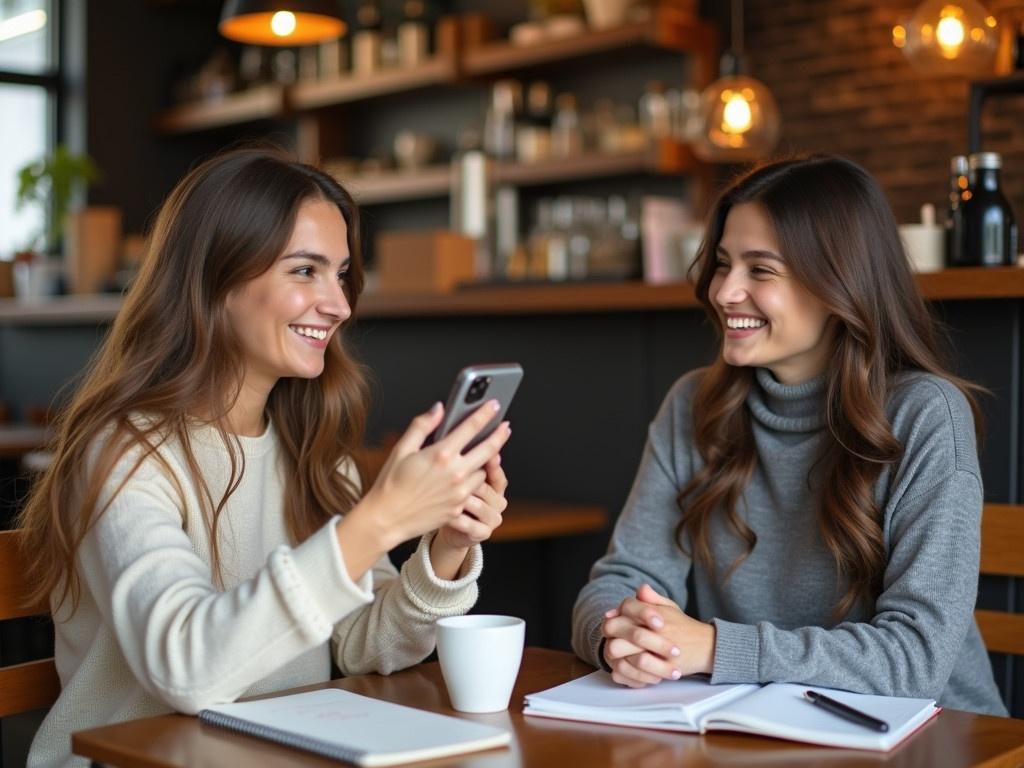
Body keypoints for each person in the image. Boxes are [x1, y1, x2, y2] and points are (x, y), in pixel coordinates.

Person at [19, 147, 513, 768]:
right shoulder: (125, 450)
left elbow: (364, 644)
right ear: (215, 278)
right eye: (304, 271)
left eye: (340, 274)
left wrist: (441, 548)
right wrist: (379, 522)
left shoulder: (307, 448)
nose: (339, 304)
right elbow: (188, 670)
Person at [572, 154, 1007, 716]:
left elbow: (916, 659)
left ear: (836, 284)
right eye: (724, 264)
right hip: (760, 727)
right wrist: (622, 642)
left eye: (761, 270)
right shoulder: (693, 405)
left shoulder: (924, 416)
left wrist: (713, 646)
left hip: (938, 739)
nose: (725, 291)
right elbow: (624, 579)